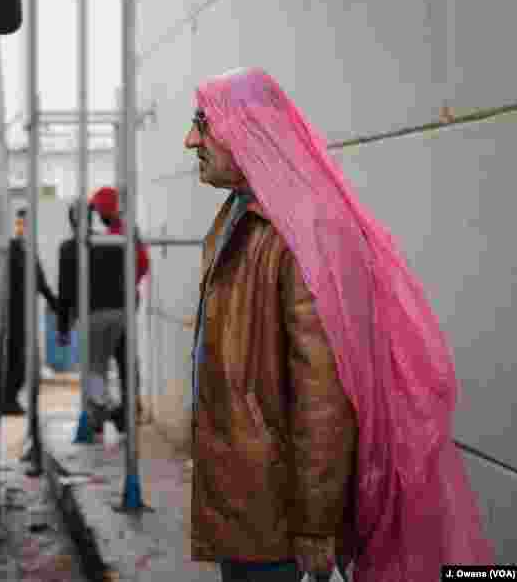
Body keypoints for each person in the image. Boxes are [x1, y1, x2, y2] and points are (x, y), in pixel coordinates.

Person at [184, 67, 492, 581]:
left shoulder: (303, 230)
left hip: (279, 514)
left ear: (247, 129)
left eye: (203, 122)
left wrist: (315, 524)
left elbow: (323, 394)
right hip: (245, 496)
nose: (191, 139)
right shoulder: (240, 215)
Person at [57, 195, 147, 435]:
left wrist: (63, 328)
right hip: (120, 314)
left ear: (71, 220)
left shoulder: (68, 248)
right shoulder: (109, 241)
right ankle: (98, 419)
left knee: (93, 371)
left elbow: (65, 291)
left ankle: (111, 411)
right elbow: (125, 275)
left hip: (93, 316)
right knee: (102, 368)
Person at [3, 208, 57, 415]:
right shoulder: (13, 248)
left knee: (21, 357)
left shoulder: (28, 250)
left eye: (25, 224)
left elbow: (40, 281)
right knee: (15, 357)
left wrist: (54, 303)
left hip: (24, 311)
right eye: (19, 224)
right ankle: (8, 399)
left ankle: (11, 398)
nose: (22, 228)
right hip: (12, 312)